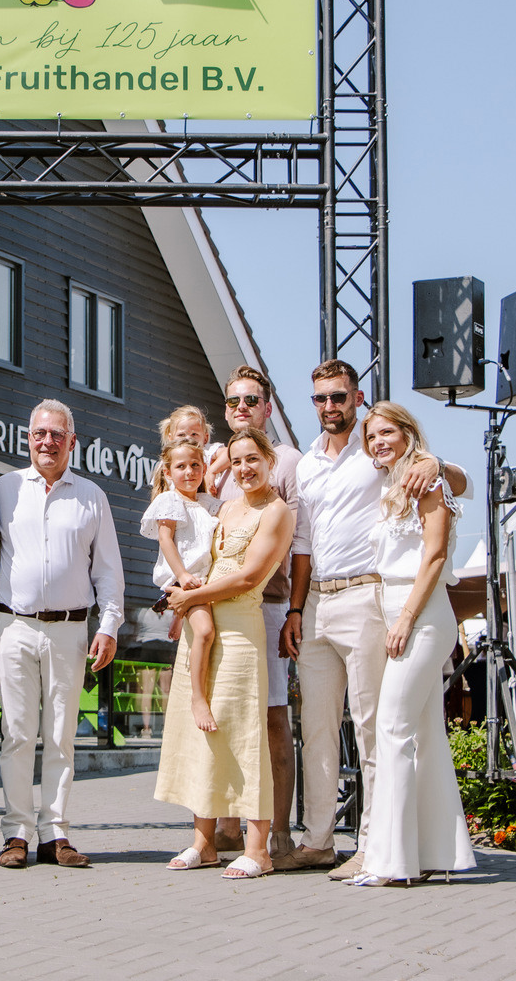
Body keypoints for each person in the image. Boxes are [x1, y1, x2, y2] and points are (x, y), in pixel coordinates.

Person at [278, 360, 469, 879]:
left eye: (338, 396)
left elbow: (459, 482)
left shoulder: (378, 453)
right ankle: (317, 841)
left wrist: (437, 462)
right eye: (320, 398)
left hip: (367, 597)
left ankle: (372, 844)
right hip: (316, 604)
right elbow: (303, 543)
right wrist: (295, 608)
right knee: (317, 730)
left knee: (371, 727)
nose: (329, 406)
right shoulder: (307, 463)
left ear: (357, 398)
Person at [0, 398, 125, 870]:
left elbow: (108, 570)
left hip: (70, 630)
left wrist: (109, 625)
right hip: (13, 625)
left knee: (61, 735)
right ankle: (15, 833)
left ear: (72, 441)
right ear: (28, 438)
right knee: (16, 734)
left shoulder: (92, 495)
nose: (47, 442)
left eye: (57, 434)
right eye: (39, 434)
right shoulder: (4, 488)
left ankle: (54, 833)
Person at [156, 428, 294, 878]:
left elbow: (249, 576)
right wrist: (184, 599)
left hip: (239, 629)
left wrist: (190, 598)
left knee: (243, 733)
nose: (245, 468)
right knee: (201, 733)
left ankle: (258, 849)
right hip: (202, 623)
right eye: (237, 461)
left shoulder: (277, 511)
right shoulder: (225, 506)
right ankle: (205, 842)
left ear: (269, 459)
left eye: (253, 459)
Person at [351, 402, 475, 886]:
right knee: (423, 733)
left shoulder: (430, 480)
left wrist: (404, 618)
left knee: (392, 728)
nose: (378, 442)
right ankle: (433, 853)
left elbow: (435, 555)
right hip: (397, 611)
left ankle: (391, 861)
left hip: (421, 615)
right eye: (371, 436)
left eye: (387, 432)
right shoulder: (392, 486)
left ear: (407, 433)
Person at [209, 365, 300, 861]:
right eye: (233, 402)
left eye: (250, 400)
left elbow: (302, 544)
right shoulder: (221, 463)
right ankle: (227, 827)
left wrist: (295, 609)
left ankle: (278, 831)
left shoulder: (286, 461)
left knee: (271, 718)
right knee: (225, 716)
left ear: (267, 407)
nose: (241, 408)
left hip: (266, 604)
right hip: (221, 606)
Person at [140, 438, 222, 731]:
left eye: (195, 465)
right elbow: (166, 540)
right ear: (167, 471)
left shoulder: (208, 504)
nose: (189, 472)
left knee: (204, 632)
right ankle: (198, 698)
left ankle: (179, 618)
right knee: (205, 631)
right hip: (184, 580)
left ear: (205, 468)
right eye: (181, 466)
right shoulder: (170, 500)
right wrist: (183, 575)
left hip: (204, 581)